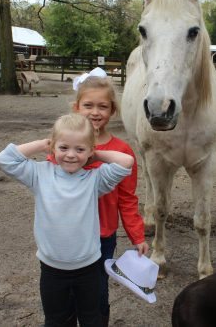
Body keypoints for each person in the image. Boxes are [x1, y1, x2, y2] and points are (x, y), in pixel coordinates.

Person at [0, 113, 134, 326]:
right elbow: (4, 159)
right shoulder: (40, 174)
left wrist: (96, 156)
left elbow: (126, 162)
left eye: (79, 149)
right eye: (63, 148)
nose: (71, 155)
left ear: (90, 150)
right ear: (53, 147)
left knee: (91, 319)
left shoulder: (95, 179)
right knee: (56, 320)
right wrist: (43, 144)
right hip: (52, 270)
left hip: (88, 268)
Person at [49, 68, 149, 327]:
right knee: (65, 291)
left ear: (112, 110)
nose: (95, 112)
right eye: (88, 105)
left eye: (103, 106)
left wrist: (137, 235)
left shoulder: (121, 151)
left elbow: (127, 199)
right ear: (76, 107)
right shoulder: (63, 149)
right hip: (67, 233)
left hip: (102, 236)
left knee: (96, 292)